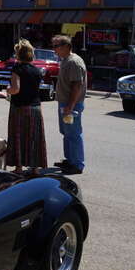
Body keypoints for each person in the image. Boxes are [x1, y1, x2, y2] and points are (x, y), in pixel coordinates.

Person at [5, 39, 47, 173]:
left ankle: (19, 167)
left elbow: (16, 89)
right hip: (35, 107)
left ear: (19, 54)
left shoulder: (17, 68)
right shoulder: (37, 70)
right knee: (34, 138)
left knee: (18, 137)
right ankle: (34, 168)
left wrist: (8, 89)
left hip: (19, 107)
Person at [52, 34, 87, 174]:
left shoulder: (74, 62)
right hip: (65, 103)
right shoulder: (66, 60)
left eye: (56, 46)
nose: (54, 49)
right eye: (53, 46)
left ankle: (77, 164)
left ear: (66, 46)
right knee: (66, 132)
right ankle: (70, 160)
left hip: (71, 104)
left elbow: (76, 86)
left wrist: (70, 106)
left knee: (73, 133)